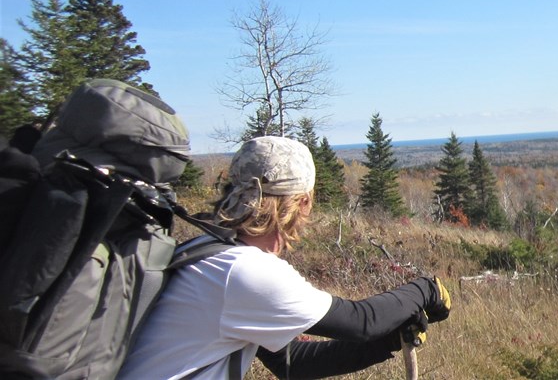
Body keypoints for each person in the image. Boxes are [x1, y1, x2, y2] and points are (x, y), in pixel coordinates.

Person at [120, 136, 451, 379]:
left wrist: (388, 341)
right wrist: (425, 289)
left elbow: (293, 361)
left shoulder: (207, 252)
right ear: (303, 202)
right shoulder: (244, 272)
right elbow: (360, 321)